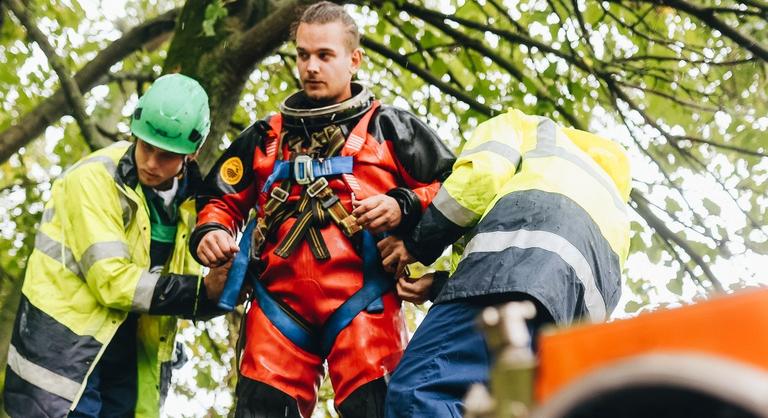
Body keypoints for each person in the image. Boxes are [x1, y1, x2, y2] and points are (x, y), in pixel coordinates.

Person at [190, 2, 455, 417]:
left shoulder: (391, 129)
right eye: (303, 55)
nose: (311, 67)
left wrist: (403, 205)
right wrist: (212, 233)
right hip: (276, 312)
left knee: (382, 409)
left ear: (354, 60)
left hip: (363, 306)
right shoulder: (265, 136)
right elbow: (218, 199)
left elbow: (455, 188)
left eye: (324, 56)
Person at [379, 109, 632, 417]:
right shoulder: (617, 212)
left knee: (422, 391)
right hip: (564, 334)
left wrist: (415, 244)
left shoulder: (526, 127)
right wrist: (440, 284)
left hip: (502, 280)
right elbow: (551, 276)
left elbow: (480, 180)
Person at [3, 73, 229, 418]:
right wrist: (202, 293)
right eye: (146, 147)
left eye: (166, 155)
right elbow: (112, 281)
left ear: (193, 153)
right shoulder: (93, 179)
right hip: (62, 367)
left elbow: (181, 292)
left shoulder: (191, 207)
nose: (151, 163)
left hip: (126, 364)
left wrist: (223, 290)